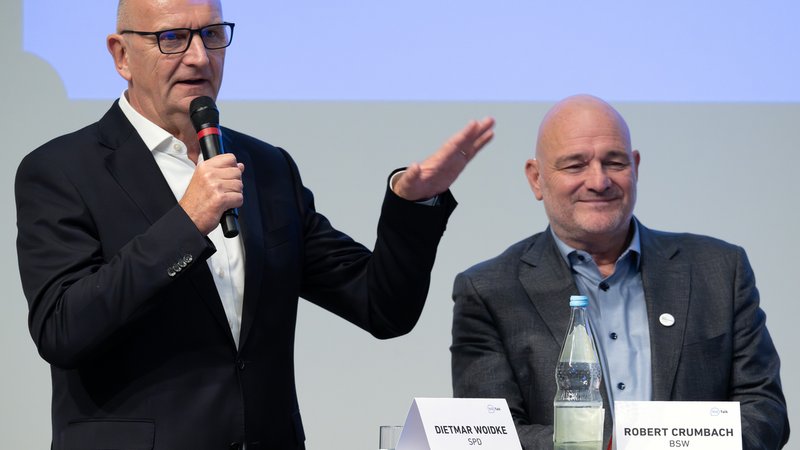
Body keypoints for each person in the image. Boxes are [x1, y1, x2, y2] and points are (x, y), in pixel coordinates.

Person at [14, 0, 495, 448]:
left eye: (211, 34)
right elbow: (63, 329)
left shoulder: (265, 167)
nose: (199, 57)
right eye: (173, 38)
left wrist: (413, 205)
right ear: (121, 55)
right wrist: (187, 223)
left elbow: (382, 307)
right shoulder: (62, 171)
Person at [450, 94, 789, 450]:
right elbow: (491, 434)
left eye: (614, 162)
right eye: (575, 166)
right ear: (537, 179)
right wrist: (611, 446)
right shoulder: (489, 291)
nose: (599, 181)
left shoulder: (719, 270)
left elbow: (764, 410)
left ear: (635, 167)